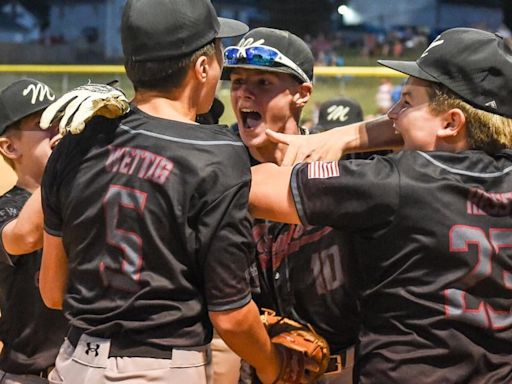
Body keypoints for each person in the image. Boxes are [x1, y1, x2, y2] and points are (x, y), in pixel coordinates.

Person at [38, 1, 287, 383]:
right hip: (160, 367)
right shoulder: (217, 155)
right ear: (202, 68)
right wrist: (273, 366)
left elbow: (54, 292)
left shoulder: (77, 139)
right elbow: (231, 314)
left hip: (74, 362)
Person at [249, 27, 512, 383]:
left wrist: (345, 135)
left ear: (452, 122)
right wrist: (349, 133)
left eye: (406, 101)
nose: (391, 113)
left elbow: (250, 189)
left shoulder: (401, 180)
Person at [222, 27, 360, 383]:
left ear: (301, 94)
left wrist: (347, 134)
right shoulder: (220, 167)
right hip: (260, 368)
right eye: (237, 82)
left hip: (342, 370)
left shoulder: (343, 169)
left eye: (263, 82)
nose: (244, 93)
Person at [0, 78, 67, 383]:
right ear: (10, 146)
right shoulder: (7, 208)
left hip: (84, 367)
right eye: (43, 124)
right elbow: (24, 236)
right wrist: (62, 163)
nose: (57, 131)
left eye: (59, 120)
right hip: (28, 374)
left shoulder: (77, 197)